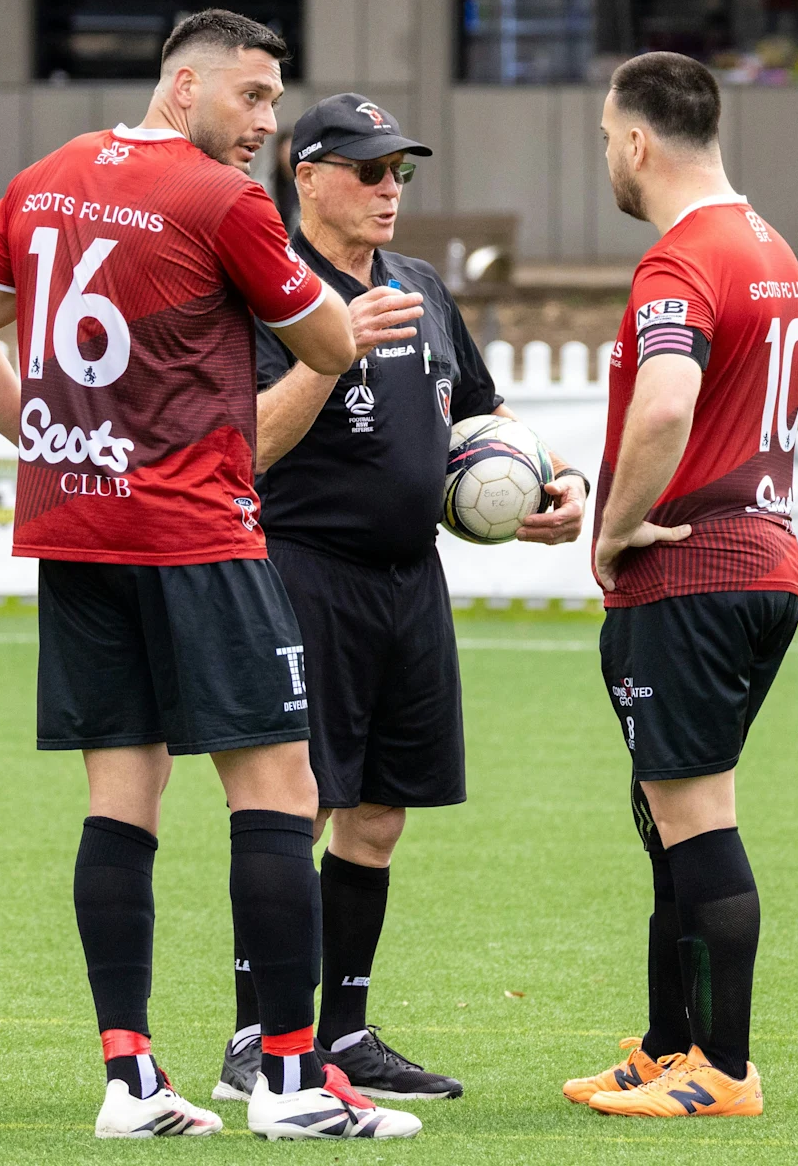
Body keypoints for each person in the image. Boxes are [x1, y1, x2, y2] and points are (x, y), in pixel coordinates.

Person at [0, 11, 424, 1143]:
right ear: (184, 86)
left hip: (77, 532)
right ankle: (290, 1084)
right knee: (281, 789)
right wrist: (342, 325)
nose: (266, 123)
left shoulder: (43, 178)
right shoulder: (221, 201)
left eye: (275, 100)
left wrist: (56, 446)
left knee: (122, 797)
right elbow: (330, 345)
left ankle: (131, 1081)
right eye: (252, 96)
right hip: (197, 533)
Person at [214, 92, 589, 1104]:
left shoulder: (420, 285)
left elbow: (483, 411)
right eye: (371, 170)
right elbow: (247, 446)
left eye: (401, 171)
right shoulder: (272, 288)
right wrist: (330, 347)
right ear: (307, 177)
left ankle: (344, 1032)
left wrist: (555, 476)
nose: (391, 189)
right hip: (302, 571)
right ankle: (257, 1036)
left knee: (379, 816)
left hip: (410, 580)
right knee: (295, 806)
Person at [563, 52, 798, 1118]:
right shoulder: (768, 246)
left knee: (698, 818)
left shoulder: (681, 259)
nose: (606, 160)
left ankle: (725, 1068)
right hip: (762, 561)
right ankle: (671, 1046)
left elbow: (667, 405)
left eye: (604, 141)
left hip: (693, 574)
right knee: (669, 811)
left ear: (636, 141)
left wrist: (617, 528)